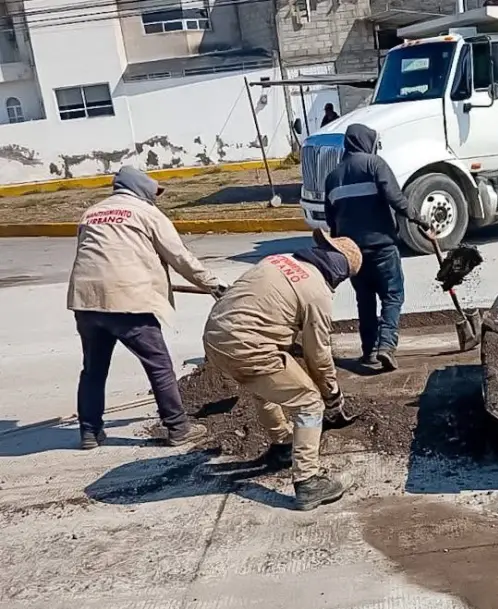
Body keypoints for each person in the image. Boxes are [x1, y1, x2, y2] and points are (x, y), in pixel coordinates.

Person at [67, 167, 227, 451]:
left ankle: (89, 432)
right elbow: (180, 257)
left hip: (87, 302)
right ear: (140, 188)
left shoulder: (91, 213)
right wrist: (213, 284)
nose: (156, 198)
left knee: (93, 370)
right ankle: (179, 428)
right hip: (129, 301)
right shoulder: (147, 213)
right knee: (159, 366)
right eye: (154, 192)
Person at [202, 231, 362, 511]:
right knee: (309, 402)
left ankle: (282, 445)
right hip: (247, 346)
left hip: (215, 338)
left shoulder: (277, 260)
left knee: (266, 387)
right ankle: (308, 482)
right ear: (340, 273)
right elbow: (318, 356)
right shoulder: (317, 293)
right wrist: (331, 395)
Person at [323, 123, 433, 372]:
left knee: (365, 301)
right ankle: (386, 346)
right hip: (382, 247)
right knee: (392, 296)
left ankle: (369, 351)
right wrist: (420, 220)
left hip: (353, 254)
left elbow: (331, 220)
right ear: (366, 142)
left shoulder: (332, 177)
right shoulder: (375, 164)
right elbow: (396, 199)